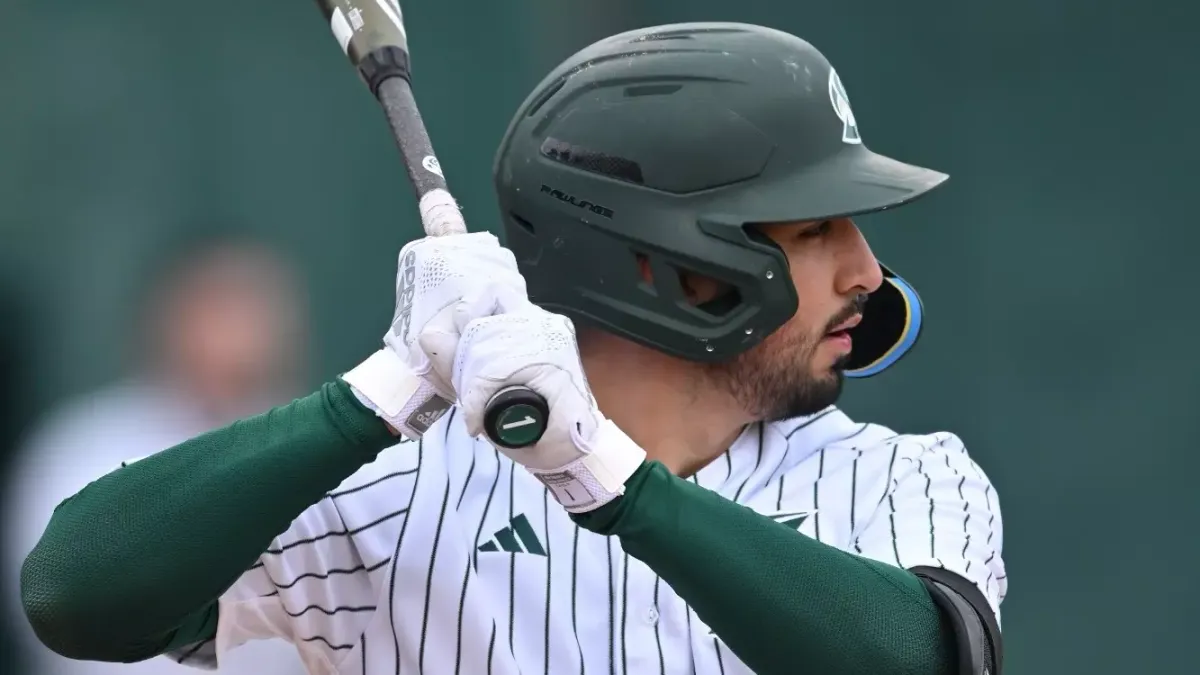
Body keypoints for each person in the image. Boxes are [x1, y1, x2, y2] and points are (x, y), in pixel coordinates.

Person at [17, 23, 1006, 675]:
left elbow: (912, 664)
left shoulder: (904, 480)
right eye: (817, 228)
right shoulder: (401, 496)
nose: (867, 273)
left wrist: (605, 476)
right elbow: (75, 593)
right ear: (678, 267)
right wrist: (381, 390)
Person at [4, 233, 309, 674]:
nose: (235, 331)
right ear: (169, 317)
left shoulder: (320, 448)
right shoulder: (84, 444)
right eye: (217, 307)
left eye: (252, 307)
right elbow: (49, 608)